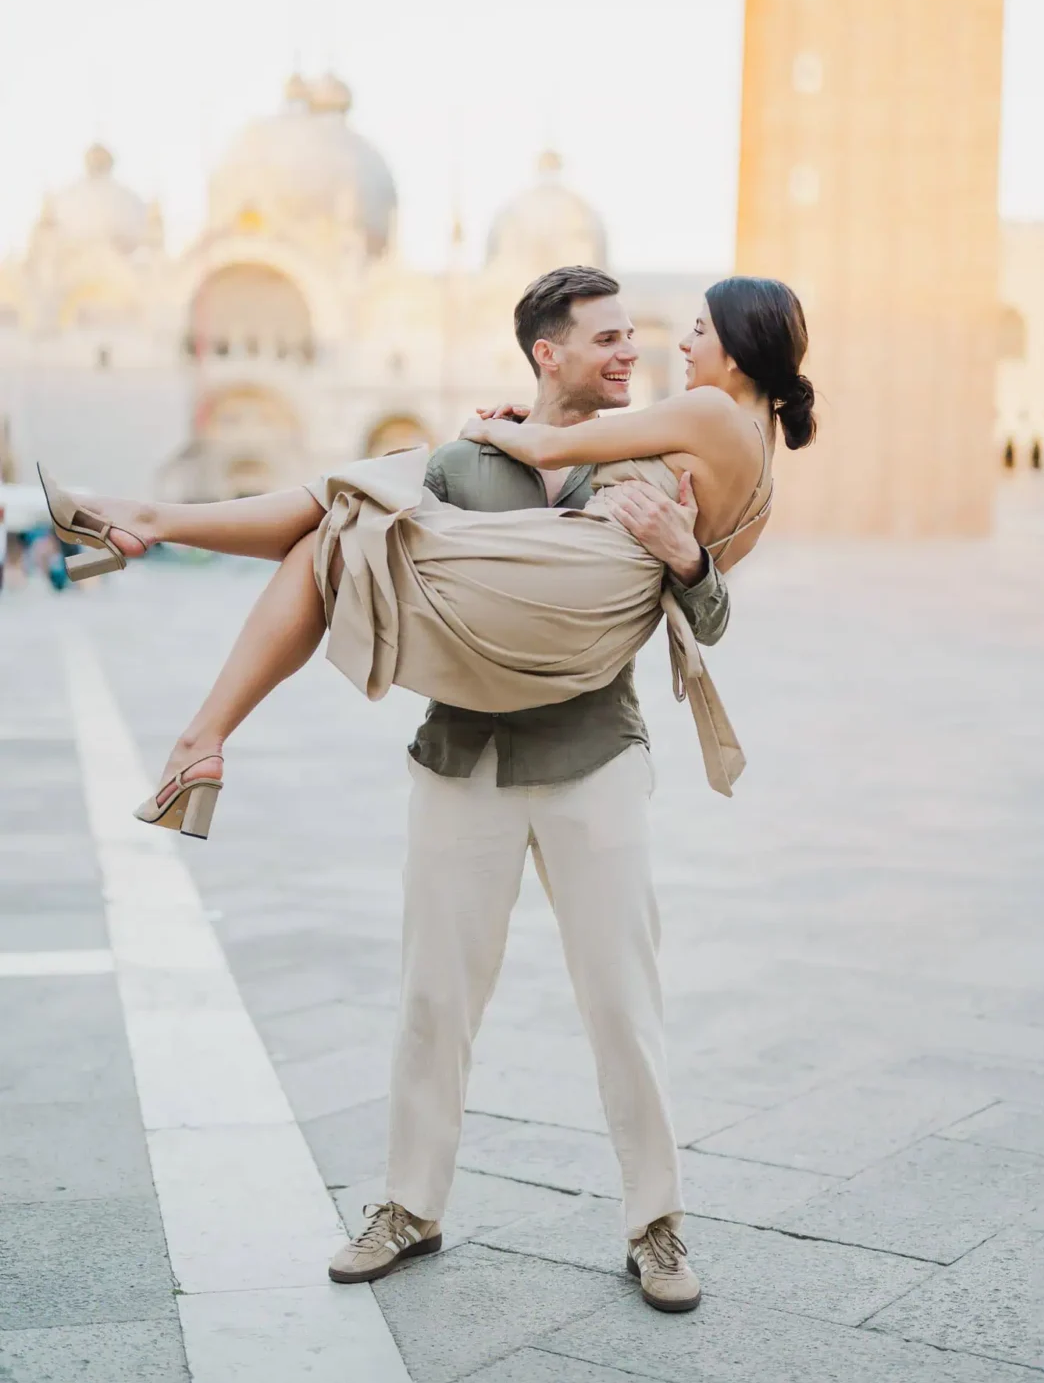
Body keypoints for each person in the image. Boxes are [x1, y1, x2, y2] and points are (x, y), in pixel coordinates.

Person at [39, 265, 815, 1309]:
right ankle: (409, 1205)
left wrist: (686, 560)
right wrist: (481, 441)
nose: (637, 352)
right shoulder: (460, 464)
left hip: (593, 758)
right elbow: (342, 546)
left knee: (623, 1004)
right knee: (431, 1001)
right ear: (549, 354)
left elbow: (708, 619)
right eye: (609, 339)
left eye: (651, 335)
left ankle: (657, 1226)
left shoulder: (658, 464)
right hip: (460, 760)